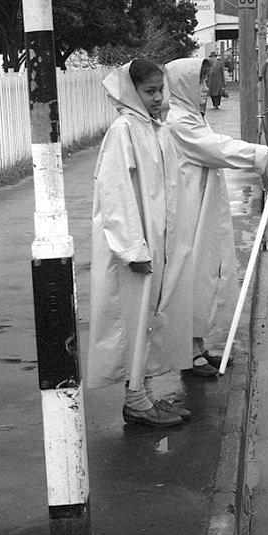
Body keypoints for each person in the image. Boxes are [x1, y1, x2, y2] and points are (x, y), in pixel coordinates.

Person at [165, 57, 268, 376]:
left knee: (203, 275)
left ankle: (197, 346)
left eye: (205, 81)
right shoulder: (179, 122)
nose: (205, 88)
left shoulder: (191, 116)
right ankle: (188, 352)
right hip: (188, 210)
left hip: (202, 206)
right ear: (182, 86)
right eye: (199, 82)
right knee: (192, 276)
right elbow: (217, 149)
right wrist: (265, 154)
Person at [85, 58, 193, 427]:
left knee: (150, 319)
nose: (158, 97)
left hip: (155, 241)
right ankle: (135, 401)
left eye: (160, 90)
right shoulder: (124, 130)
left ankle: (144, 396)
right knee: (135, 321)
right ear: (132, 92)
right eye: (149, 91)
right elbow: (114, 193)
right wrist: (132, 248)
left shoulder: (154, 127)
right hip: (134, 246)